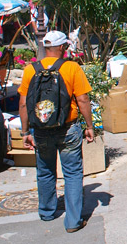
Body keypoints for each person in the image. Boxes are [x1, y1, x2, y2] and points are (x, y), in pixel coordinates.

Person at [18, 31, 94, 233]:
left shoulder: (30, 70)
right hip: (67, 128)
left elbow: (24, 104)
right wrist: (89, 126)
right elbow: (83, 100)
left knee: (44, 171)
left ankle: (47, 212)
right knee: (72, 173)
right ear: (62, 47)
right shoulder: (71, 68)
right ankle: (73, 221)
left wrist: (25, 131)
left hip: (41, 130)